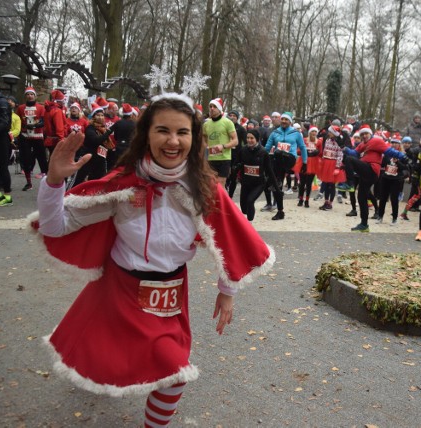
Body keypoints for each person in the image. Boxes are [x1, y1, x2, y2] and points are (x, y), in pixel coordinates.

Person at [31, 93, 274, 426]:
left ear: (194, 137)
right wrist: (54, 181)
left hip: (170, 295)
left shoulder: (204, 190)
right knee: (101, 354)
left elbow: (233, 240)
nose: (173, 141)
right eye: (163, 130)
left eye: (182, 132)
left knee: (174, 371)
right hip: (118, 290)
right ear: (146, 134)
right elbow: (55, 226)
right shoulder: (122, 186)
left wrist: (226, 291)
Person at [340, 124, 408, 232]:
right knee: (362, 198)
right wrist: (346, 149)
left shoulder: (376, 141)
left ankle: (349, 183)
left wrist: (402, 156)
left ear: (370, 134)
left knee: (349, 160)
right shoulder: (363, 144)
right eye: (362, 134)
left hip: (371, 169)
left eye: (366, 134)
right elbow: (355, 153)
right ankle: (364, 225)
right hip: (365, 173)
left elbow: (389, 151)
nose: (364, 136)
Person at [264, 112, 307, 220]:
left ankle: (277, 180)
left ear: (290, 122)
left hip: (290, 159)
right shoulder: (275, 133)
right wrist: (260, 160)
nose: (283, 121)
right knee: (276, 185)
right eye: (282, 119)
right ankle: (280, 211)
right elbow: (267, 148)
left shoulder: (295, 133)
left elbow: (302, 148)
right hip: (278, 161)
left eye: (286, 119)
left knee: (277, 153)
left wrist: (305, 162)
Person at [234, 129, 276, 221]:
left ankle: (250, 224)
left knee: (250, 201)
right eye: (248, 138)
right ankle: (248, 217)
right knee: (244, 208)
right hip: (245, 183)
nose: (249, 140)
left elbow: (269, 170)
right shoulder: (243, 150)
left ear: (257, 139)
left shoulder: (263, 152)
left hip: (258, 183)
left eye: (251, 138)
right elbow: (236, 163)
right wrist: (237, 167)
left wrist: (275, 186)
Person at [71, 103, 113, 187]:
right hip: (88, 160)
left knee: (98, 184)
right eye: (98, 115)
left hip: (100, 161)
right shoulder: (90, 128)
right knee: (78, 181)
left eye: (102, 115)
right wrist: (108, 132)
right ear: (93, 117)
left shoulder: (103, 129)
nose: (100, 117)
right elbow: (96, 140)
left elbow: (106, 145)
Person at [202, 98, 238, 188]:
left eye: (214, 107)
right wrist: (205, 145)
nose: (212, 109)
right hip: (211, 158)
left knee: (220, 186)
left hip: (224, 158)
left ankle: (223, 202)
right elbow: (204, 139)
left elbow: (235, 141)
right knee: (211, 185)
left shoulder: (227, 122)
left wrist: (223, 146)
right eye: (210, 106)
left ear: (219, 109)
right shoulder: (206, 124)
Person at [376, 133, 408, 225]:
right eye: (392, 142)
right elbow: (382, 164)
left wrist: (398, 162)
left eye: (396, 143)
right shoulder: (387, 154)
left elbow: (404, 168)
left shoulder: (402, 155)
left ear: (399, 144)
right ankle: (380, 216)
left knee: (394, 200)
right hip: (386, 178)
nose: (394, 144)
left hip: (396, 180)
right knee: (383, 199)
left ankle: (394, 218)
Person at [316, 124, 344, 211]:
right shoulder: (327, 140)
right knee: (326, 183)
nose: (329, 133)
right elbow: (324, 151)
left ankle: (330, 203)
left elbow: (340, 155)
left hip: (333, 164)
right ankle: (326, 201)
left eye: (331, 132)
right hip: (326, 163)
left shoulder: (338, 143)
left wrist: (337, 167)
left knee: (331, 185)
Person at [296, 125, 320, 207]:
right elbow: (298, 151)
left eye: (315, 131)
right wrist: (305, 151)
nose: (314, 133)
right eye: (312, 131)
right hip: (303, 162)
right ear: (309, 132)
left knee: (309, 183)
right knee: (302, 183)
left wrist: (317, 152)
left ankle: (307, 200)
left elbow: (321, 153)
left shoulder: (318, 142)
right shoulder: (305, 140)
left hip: (313, 164)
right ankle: (300, 199)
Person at [226, 109, 247, 197]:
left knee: (233, 177)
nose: (232, 117)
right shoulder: (224, 126)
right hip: (225, 154)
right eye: (231, 115)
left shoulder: (241, 129)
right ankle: (225, 191)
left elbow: (245, 142)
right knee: (225, 176)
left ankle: (230, 196)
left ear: (237, 118)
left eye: (234, 116)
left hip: (236, 156)